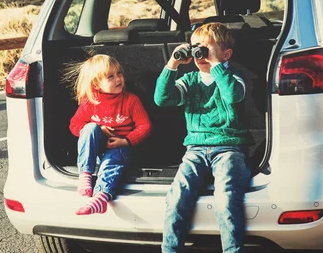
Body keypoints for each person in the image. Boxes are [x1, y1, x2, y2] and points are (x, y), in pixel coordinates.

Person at [154, 22, 252, 253]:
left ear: (226, 54)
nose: (200, 53)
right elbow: (162, 98)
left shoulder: (235, 77)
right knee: (177, 196)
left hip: (229, 147)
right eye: (196, 48)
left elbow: (232, 96)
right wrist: (173, 63)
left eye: (206, 48)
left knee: (226, 198)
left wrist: (216, 65)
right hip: (196, 149)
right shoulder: (189, 81)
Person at [68, 54, 152, 215]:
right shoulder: (90, 102)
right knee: (90, 128)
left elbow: (145, 126)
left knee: (110, 164)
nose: (118, 79)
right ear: (96, 84)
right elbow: (75, 125)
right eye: (110, 77)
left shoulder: (130, 100)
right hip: (97, 149)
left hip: (121, 148)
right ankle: (85, 175)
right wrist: (98, 128)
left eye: (119, 73)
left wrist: (125, 141)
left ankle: (101, 196)